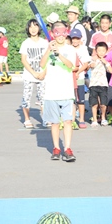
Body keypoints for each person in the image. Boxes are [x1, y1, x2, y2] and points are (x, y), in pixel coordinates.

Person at [39, 21, 77, 162]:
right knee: (55, 123)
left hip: (66, 92)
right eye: (57, 33)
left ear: (66, 32)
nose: (60, 36)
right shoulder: (49, 48)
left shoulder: (70, 49)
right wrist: (49, 50)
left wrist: (59, 54)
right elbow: (42, 64)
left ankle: (67, 148)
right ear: (52, 34)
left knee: (67, 121)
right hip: (51, 92)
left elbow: (70, 65)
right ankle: (56, 148)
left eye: (63, 33)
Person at [20, 19, 49, 129]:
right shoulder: (25, 43)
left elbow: (49, 59)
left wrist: (43, 72)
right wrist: (33, 73)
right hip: (29, 75)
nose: (33, 29)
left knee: (43, 97)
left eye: (35, 26)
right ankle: (27, 119)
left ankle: (45, 118)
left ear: (39, 28)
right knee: (26, 97)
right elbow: (24, 60)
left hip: (42, 75)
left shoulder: (44, 42)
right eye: (31, 27)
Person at [69, 29, 91, 128]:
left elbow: (86, 64)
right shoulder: (68, 48)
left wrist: (78, 72)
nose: (75, 41)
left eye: (77, 38)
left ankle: (81, 119)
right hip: (69, 78)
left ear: (80, 39)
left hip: (80, 77)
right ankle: (72, 120)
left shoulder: (83, 48)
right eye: (73, 38)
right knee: (71, 100)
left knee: (80, 100)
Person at [88, 42, 110, 128]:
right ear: (96, 51)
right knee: (94, 103)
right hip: (93, 84)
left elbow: (111, 71)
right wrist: (90, 65)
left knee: (103, 103)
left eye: (103, 51)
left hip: (103, 84)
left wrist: (106, 63)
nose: (101, 52)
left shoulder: (106, 60)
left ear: (106, 51)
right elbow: (87, 67)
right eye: (99, 50)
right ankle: (94, 119)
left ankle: (103, 117)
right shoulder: (92, 59)